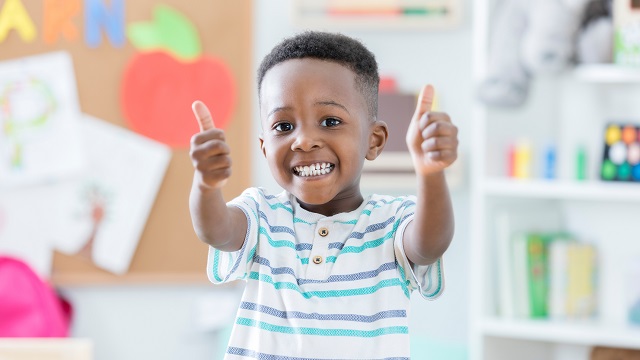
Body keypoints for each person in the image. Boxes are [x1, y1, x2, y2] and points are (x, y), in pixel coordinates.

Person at [189, 31, 458, 359]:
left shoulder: (392, 221)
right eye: (283, 127)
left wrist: (431, 174)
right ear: (264, 147)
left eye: (330, 121)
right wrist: (205, 186)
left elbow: (430, 244)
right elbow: (216, 231)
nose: (303, 141)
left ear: (374, 140)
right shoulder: (261, 214)